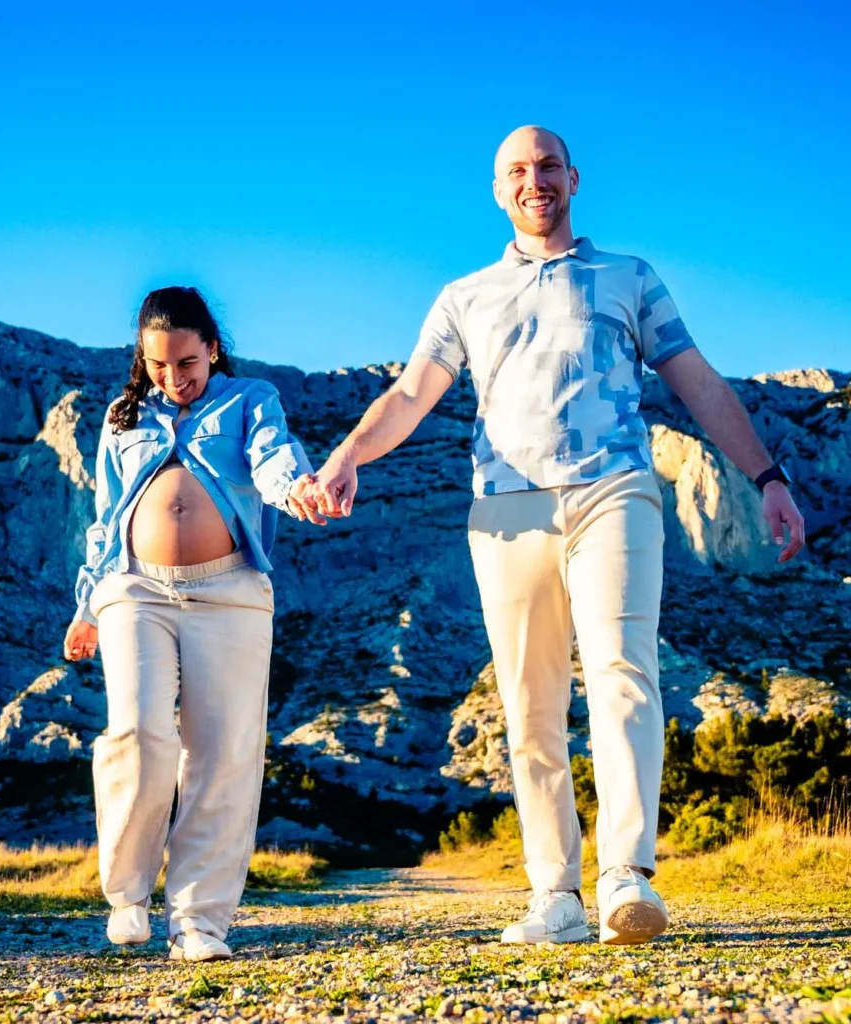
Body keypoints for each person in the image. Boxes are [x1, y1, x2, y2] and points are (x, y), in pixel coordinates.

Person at [309, 126, 806, 945]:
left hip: (614, 488)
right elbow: (407, 395)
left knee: (621, 669)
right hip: (505, 509)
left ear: (574, 178)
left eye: (547, 166)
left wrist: (768, 478)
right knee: (529, 703)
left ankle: (625, 877)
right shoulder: (462, 298)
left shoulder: (628, 279)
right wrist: (346, 459)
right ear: (498, 191)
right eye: (517, 171)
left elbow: (701, 383)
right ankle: (556, 895)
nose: (534, 180)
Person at [63, 286, 325, 961]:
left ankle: (199, 921)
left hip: (231, 592)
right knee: (138, 731)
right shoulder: (122, 417)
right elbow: (105, 514)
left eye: (186, 362)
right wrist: (87, 603)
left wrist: (293, 487)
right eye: (158, 366)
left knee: (223, 754)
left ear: (210, 348)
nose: (173, 378)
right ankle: (127, 894)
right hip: (134, 588)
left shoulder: (250, 399)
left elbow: (273, 458)